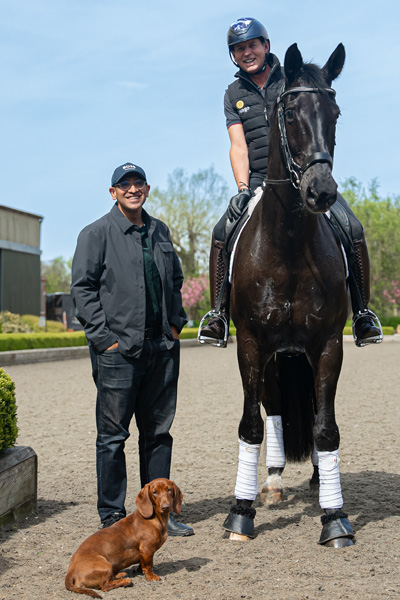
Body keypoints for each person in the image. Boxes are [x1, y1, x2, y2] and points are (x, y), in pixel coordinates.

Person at [198, 17, 382, 348]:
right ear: (233, 56)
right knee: (220, 233)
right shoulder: (233, 93)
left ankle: (363, 314)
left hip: (307, 176)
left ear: (266, 46)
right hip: (259, 182)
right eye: (239, 49)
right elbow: (238, 146)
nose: (247, 52)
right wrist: (242, 188)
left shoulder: (291, 79)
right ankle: (218, 315)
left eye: (252, 45)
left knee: (352, 228)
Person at [71, 162, 194, 536]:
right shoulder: (96, 234)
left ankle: (162, 515)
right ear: (113, 192)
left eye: (138, 183)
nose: (132, 188)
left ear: (147, 189)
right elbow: (82, 289)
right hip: (118, 353)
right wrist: (104, 339)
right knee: (112, 438)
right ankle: (112, 517)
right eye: (124, 184)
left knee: (158, 434)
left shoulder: (160, 231)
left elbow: (175, 279)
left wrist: (175, 325)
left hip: (161, 349)